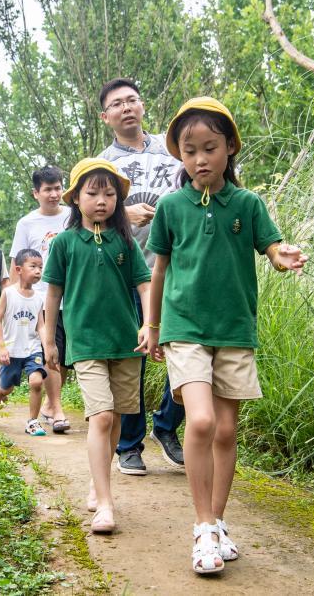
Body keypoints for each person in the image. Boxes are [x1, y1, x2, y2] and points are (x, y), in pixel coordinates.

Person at [147, 97, 307, 573]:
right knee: (199, 422)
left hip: (235, 329)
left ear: (230, 147)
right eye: (189, 149)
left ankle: (216, 522)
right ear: (179, 154)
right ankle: (201, 527)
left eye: (210, 148)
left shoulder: (248, 203)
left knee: (226, 429)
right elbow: (160, 270)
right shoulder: (171, 207)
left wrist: (283, 256)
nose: (199, 159)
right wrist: (152, 325)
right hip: (184, 329)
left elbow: (271, 247)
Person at [42, 158, 152, 534]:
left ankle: (97, 479)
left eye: (109, 193)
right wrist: (49, 340)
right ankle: (105, 504)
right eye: (93, 192)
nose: (102, 200)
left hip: (125, 343)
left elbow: (144, 284)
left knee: (118, 417)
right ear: (76, 199)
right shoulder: (66, 244)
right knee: (101, 416)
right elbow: (53, 294)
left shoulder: (125, 242)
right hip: (86, 343)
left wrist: (149, 325)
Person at [97, 77, 186, 476]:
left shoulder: (173, 154)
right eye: (118, 104)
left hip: (176, 267)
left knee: (186, 347)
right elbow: (85, 219)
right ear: (106, 117)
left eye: (132, 100)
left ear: (143, 105)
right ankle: (129, 445)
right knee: (134, 356)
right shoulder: (103, 166)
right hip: (127, 272)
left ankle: (166, 425)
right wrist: (123, 214)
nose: (127, 107)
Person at [9, 166, 71, 433]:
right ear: (36, 193)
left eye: (58, 188)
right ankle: (57, 409)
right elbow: (17, 264)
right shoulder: (27, 223)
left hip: (75, 295)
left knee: (67, 357)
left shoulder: (73, 216)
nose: (54, 194)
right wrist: (16, 299)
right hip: (43, 299)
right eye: (48, 189)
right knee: (50, 353)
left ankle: (49, 404)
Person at [0, 248, 47, 435]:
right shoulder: (8, 293)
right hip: (11, 351)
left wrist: (48, 347)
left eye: (40, 267)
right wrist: (1, 346)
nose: (38, 271)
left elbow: (41, 326)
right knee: (6, 390)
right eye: (33, 266)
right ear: (19, 269)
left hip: (32, 349)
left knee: (36, 382)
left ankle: (33, 422)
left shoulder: (39, 297)